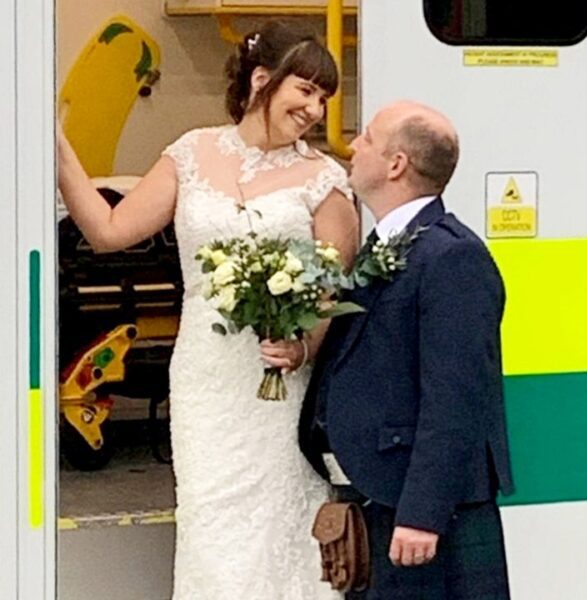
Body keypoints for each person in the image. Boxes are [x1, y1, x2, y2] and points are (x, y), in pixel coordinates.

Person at [58, 21, 359, 600]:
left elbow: (331, 287)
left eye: (324, 98)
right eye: (306, 91)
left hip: (276, 381)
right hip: (205, 374)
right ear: (262, 81)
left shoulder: (323, 178)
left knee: (280, 519)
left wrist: (302, 347)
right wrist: (59, 149)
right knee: (209, 521)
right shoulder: (190, 151)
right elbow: (109, 230)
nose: (316, 109)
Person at [300, 100, 514, 599]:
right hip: (381, 496)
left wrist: (423, 514)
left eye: (368, 138)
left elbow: (455, 399)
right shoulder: (384, 247)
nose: (353, 144)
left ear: (397, 164)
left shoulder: (451, 256)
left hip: (419, 514)